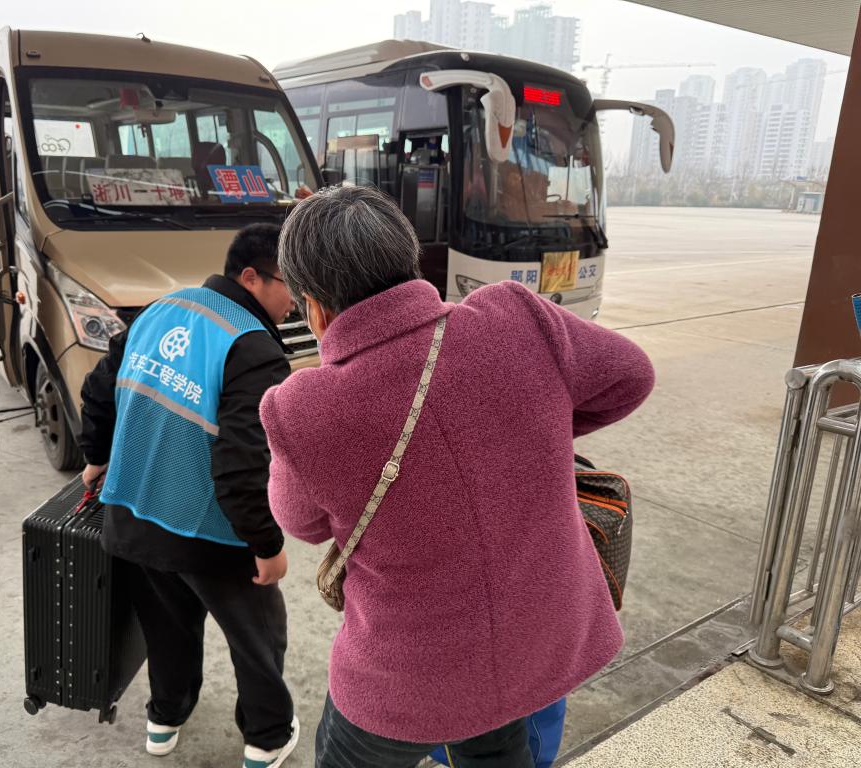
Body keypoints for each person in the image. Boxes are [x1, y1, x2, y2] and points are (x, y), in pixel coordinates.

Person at [259, 186, 655, 768]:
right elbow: (632, 376)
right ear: (409, 261)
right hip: (531, 648)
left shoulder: (302, 409)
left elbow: (303, 523)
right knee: (499, 739)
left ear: (315, 308)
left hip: (403, 682)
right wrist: (531, 436)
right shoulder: (516, 317)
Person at [79, 223, 300, 767]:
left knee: (167, 628)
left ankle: (164, 720)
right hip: (210, 534)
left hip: (133, 514)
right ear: (250, 277)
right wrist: (266, 545)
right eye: (289, 284)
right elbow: (243, 465)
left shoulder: (159, 309)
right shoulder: (253, 347)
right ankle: (267, 739)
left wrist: (96, 456)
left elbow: (99, 389)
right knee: (257, 638)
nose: (296, 300)